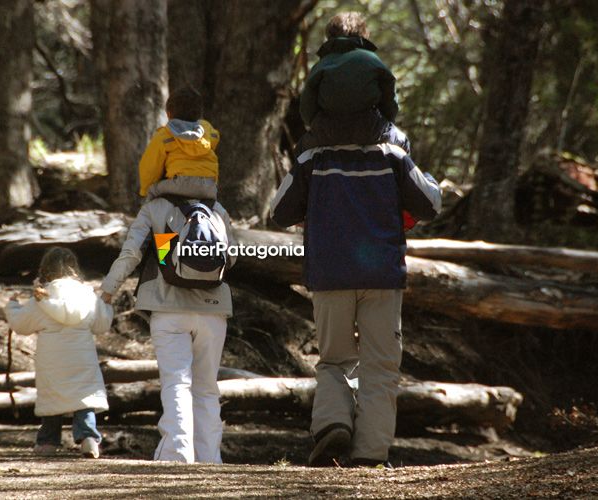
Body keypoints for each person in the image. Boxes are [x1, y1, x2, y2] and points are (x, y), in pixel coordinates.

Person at [271, 130, 442, 466]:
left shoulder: (312, 157)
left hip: (329, 275)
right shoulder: (393, 156)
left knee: (334, 359)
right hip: (382, 278)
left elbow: (279, 211)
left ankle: (333, 423)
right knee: (381, 365)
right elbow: (430, 204)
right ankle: (369, 454)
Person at [99, 179, 235, 464]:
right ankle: (210, 458)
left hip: (167, 307)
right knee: (207, 386)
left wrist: (108, 289)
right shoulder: (216, 208)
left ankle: (178, 453)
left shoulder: (155, 208)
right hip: (213, 309)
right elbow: (231, 257)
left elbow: (131, 253)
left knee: (176, 382)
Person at [5, 247, 113, 458]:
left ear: (45, 270)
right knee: (84, 396)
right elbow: (102, 325)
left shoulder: (42, 298)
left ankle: (47, 442)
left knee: (53, 395)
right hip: (82, 356)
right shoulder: (88, 295)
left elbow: (21, 325)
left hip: (52, 358)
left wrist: (12, 305)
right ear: (74, 269)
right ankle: (89, 438)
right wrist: (107, 307)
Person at [297, 12, 410, 158]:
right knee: (403, 142)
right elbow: (390, 103)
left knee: (300, 150)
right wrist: (386, 122)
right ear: (363, 34)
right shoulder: (373, 60)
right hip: (370, 129)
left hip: (328, 131)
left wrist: (317, 125)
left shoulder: (321, 65)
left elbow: (306, 108)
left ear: (330, 37)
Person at [138, 86, 220, 202]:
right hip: (209, 186)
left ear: (169, 113)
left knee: (152, 191)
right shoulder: (206, 129)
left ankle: (143, 220)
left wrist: (145, 189)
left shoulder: (165, 134)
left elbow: (149, 166)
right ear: (200, 113)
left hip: (180, 184)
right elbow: (215, 138)